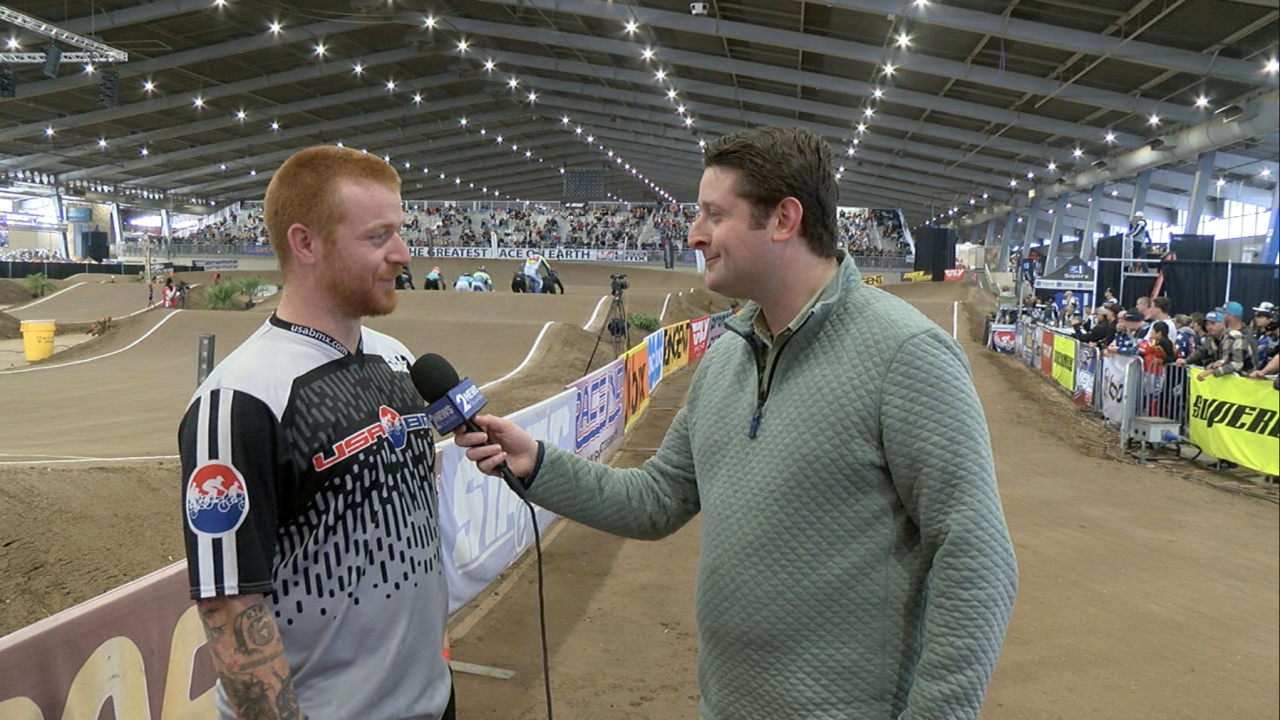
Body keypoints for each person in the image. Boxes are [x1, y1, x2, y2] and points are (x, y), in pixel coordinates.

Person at [456, 126, 1017, 719]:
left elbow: (977, 556)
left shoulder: (906, 354)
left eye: (714, 215)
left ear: (783, 220)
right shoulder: (727, 356)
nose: (694, 234)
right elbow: (658, 498)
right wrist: (537, 464)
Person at [178, 146, 454, 720]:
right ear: (305, 243)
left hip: (432, 700)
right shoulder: (239, 399)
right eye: (378, 237)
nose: (402, 254)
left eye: (399, 231)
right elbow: (228, 605)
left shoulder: (397, 358)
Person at [1176, 309, 1254, 380]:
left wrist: (1213, 371)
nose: (1209, 327)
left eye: (1213, 323)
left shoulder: (1236, 337)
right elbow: (1200, 352)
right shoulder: (1209, 338)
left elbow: (1237, 364)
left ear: (1222, 324)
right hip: (1227, 379)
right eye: (1207, 324)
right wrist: (1186, 361)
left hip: (1246, 378)